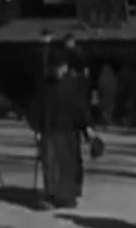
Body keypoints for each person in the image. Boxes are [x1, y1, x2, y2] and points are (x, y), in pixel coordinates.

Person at [29, 47, 93, 209]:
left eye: (60, 67)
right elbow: (36, 107)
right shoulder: (45, 85)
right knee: (50, 163)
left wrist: (87, 127)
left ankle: (67, 195)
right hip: (50, 129)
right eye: (55, 68)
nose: (57, 71)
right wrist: (36, 128)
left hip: (69, 130)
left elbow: (81, 108)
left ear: (65, 67)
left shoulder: (74, 84)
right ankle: (51, 194)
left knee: (69, 164)